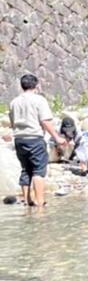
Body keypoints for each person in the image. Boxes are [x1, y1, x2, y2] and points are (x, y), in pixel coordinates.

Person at [5, 73, 67, 208]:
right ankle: (40, 203)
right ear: (36, 85)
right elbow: (45, 121)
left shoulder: (14, 102)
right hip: (35, 138)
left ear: (22, 86)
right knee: (38, 170)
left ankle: (28, 201)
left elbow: (12, 122)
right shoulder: (39, 100)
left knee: (25, 169)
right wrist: (57, 137)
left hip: (19, 139)